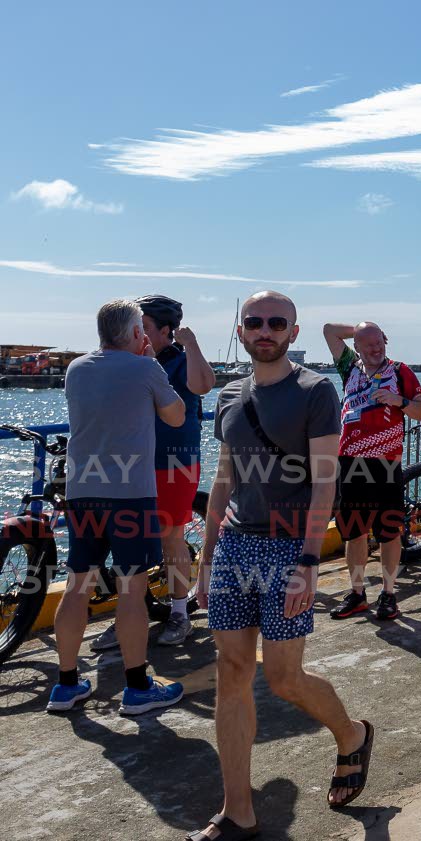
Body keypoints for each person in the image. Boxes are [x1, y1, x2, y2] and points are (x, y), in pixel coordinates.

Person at [193, 291, 373, 837]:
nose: (264, 330)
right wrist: (205, 556)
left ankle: (352, 735)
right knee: (231, 673)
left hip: (287, 547)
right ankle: (236, 812)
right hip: (235, 547)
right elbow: (224, 477)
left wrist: (308, 562)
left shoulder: (315, 391)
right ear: (242, 330)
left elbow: (326, 480)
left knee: (284, 677)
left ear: (293, 333)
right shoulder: (227, 396)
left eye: (276, 323)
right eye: (254, 322)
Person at [46, 299, 187, 715]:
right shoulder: (146, 367)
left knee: (77, 585)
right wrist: (149, 363)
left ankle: (66, 685)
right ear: (134, 334)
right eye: (141, 330)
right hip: (129, 495)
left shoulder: (76, 369)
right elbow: (177, 416)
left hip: (81, 492)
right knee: (132, 588)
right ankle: (138, 687)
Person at [89, 295, 216, 652]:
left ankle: (179, 614)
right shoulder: (126, 361)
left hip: (174, 461)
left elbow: (204, 385)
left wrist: (190, 344)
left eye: (144, 327)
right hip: (132, 463)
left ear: (166, 331)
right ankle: (131, 617)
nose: (136, 333)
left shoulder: (178, 360)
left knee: (172, 535)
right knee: (126, 539)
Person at [323, 320, 421, 621]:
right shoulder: (350, 368)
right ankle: (357, 594)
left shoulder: (399, 371)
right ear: (356, 345)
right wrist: (362, 327)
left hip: (386, 464)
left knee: (389, 532)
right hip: (351, 462)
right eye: (367, 343)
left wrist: (400, 401)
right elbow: (329, 329)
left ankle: (389, 594)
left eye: (379, 343)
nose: (375, 349)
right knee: (353, 532)